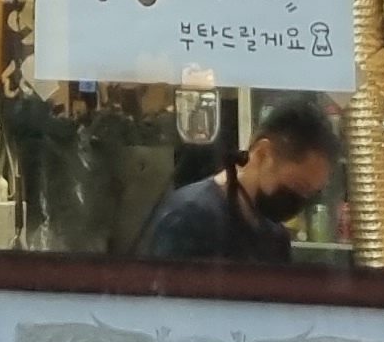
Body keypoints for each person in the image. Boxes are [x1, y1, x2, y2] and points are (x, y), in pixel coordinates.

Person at [133, 96, 338, 263]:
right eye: (297, 186)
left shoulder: (275, 236)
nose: (299, 202)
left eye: (309, 194)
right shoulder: (189, 217)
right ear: (262, 153)